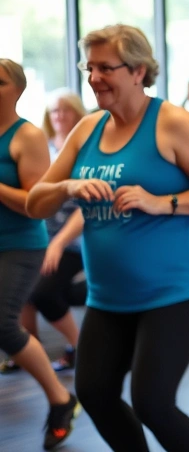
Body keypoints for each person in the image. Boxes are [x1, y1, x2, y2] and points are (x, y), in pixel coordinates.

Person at [25, 25, 189, 452]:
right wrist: (68, 187)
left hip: (172, 294)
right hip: (108, 298)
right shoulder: (87, 130)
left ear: (139, 71)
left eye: (106, 67)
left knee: (153, 402)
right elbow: (36, 202)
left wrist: (160, 202)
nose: (94, 77)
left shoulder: (174, 124)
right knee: (95, 393)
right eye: (90, 67)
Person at [0, 59, 80, 450]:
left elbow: (35, 202)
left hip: (19, 243)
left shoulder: (26, 136)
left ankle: (61, 398)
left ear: (16, 89)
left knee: (4, 323)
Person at [18, 90, 88, 374]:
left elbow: (84, 209)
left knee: (44, 292)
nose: (59, 116)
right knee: (22, 290)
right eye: (54, 111)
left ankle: (81, 348)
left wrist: (58, 242)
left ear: (76, 112)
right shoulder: (44, 147)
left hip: (74, 241)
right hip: (41, 238)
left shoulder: (86, 148)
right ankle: (26, 352)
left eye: (64, 110)